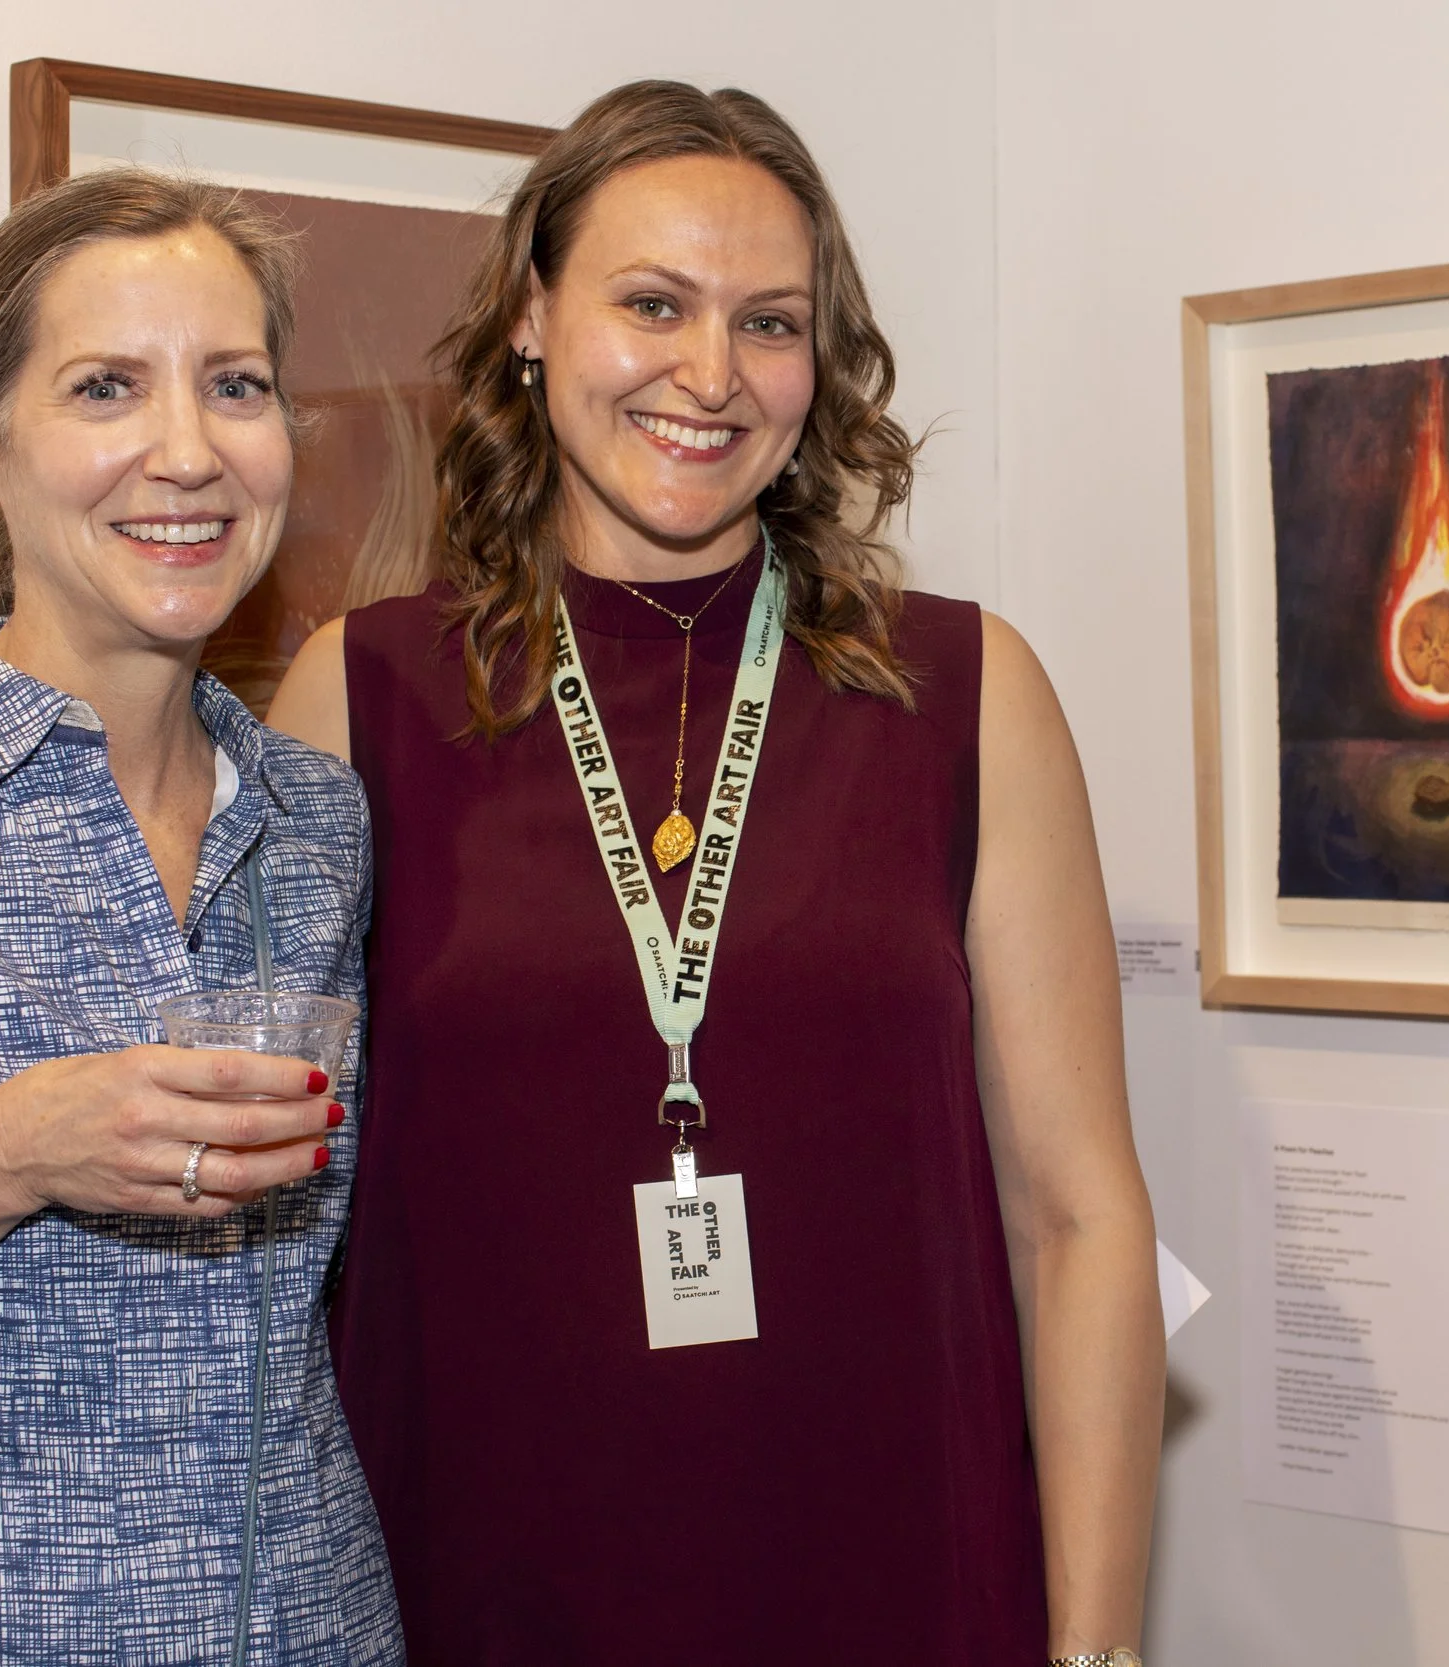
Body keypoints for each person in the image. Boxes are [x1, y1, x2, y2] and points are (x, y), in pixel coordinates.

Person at [268, 80, 1163, 1663]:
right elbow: (273, 1221)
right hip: (478, 1579)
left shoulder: (963, 692)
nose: (711, 373)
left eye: (769, 322)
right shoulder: (359, 697)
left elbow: (1080, 1219)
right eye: (653, 304)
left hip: (900, 1575)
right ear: (535, 314)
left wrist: (1093, 1645)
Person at [0, 169, 402, 1661]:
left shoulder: (317, 823)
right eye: (105, 386)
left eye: (237, 385)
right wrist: (4, 1155)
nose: (188, 451)